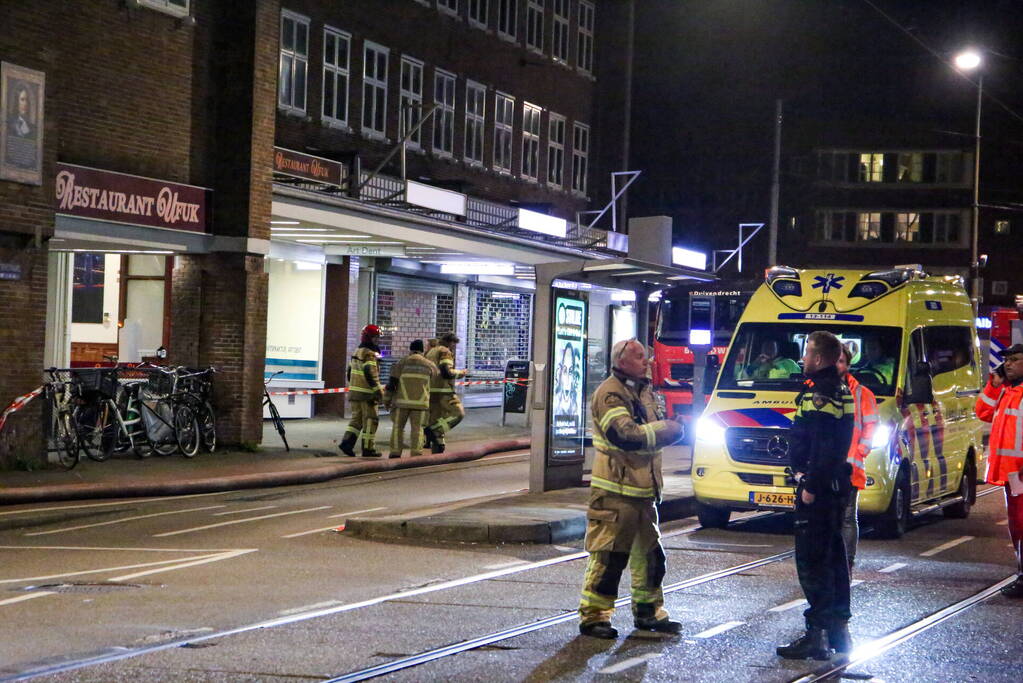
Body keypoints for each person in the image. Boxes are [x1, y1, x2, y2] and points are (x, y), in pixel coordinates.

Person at [578, 338, 685, 639]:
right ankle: (594, 617)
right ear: (622, 361)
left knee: (651, 557)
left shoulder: (644, 391)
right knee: (609, 557)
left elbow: (650, 431)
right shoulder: (610, 393)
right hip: (616, 492)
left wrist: (665, 428)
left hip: (641, 492)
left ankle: (648, 612)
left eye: (646, 357)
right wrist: (667, 430)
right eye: (639, 357)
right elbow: (625, 435)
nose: (647, 361)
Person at [777, 330, 855, 660]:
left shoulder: (819, 393)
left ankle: (817, 634)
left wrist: (808, 485)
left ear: (819, 358)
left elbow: (822, 445)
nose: (803, 358)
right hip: (835, 486)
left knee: (813, 561)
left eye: (807, 353)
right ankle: (838, 631)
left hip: (818, 489)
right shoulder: (841, 389)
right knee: (834, 558)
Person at [975, 343, 1023, 598]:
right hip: (1011, 474)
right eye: (1007, 360)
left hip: (1021, 473)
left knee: (1022, 524)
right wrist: (994, 384)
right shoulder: (1007, 391)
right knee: (1017, 525)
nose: (1008, 364)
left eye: (1015, 360)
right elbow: (982, 412)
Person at [837, 344, 878, 570]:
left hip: (850, 466)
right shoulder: (816, 388)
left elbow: (871, 426)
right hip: (827, 466)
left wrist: (861, 450)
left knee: (847, 517)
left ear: (848, 365)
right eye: (835, 360)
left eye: (842, 361)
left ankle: (847, 563)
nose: (838, 365)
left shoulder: (862, 393)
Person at [385, 339, 437, 459]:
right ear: (422, 351)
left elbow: (392, 384)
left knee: (398, 427)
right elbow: (433, 381)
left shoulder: (401, 363)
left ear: (411, 350)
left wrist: (386, 400)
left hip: (401, 403)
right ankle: (416, 453)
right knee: (418, 429)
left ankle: (395, 452)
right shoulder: (430, 365)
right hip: (420, 403)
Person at [339, 325, 383, 458]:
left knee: (356, 420)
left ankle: (347, 443)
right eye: (376, 337)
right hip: (367, 394)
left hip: (355, 392)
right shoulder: (369, 354)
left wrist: (353, 385)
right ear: (369, 337)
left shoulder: (357, 351)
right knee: (371, 420)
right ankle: (368, 448)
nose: (377, 340)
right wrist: (377, 391)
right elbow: (370, 373)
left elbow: (349, 372)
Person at [424, 332, 467, 454]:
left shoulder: (431, 352)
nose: (454, 348)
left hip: (431, 391)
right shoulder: (445, 352)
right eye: (454, 344)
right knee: (458, 413)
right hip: (443, 391)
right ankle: (434, 431)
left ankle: (438, 447)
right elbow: (446, 371)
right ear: (451, 342)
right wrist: (461, 373)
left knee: (436, 418)